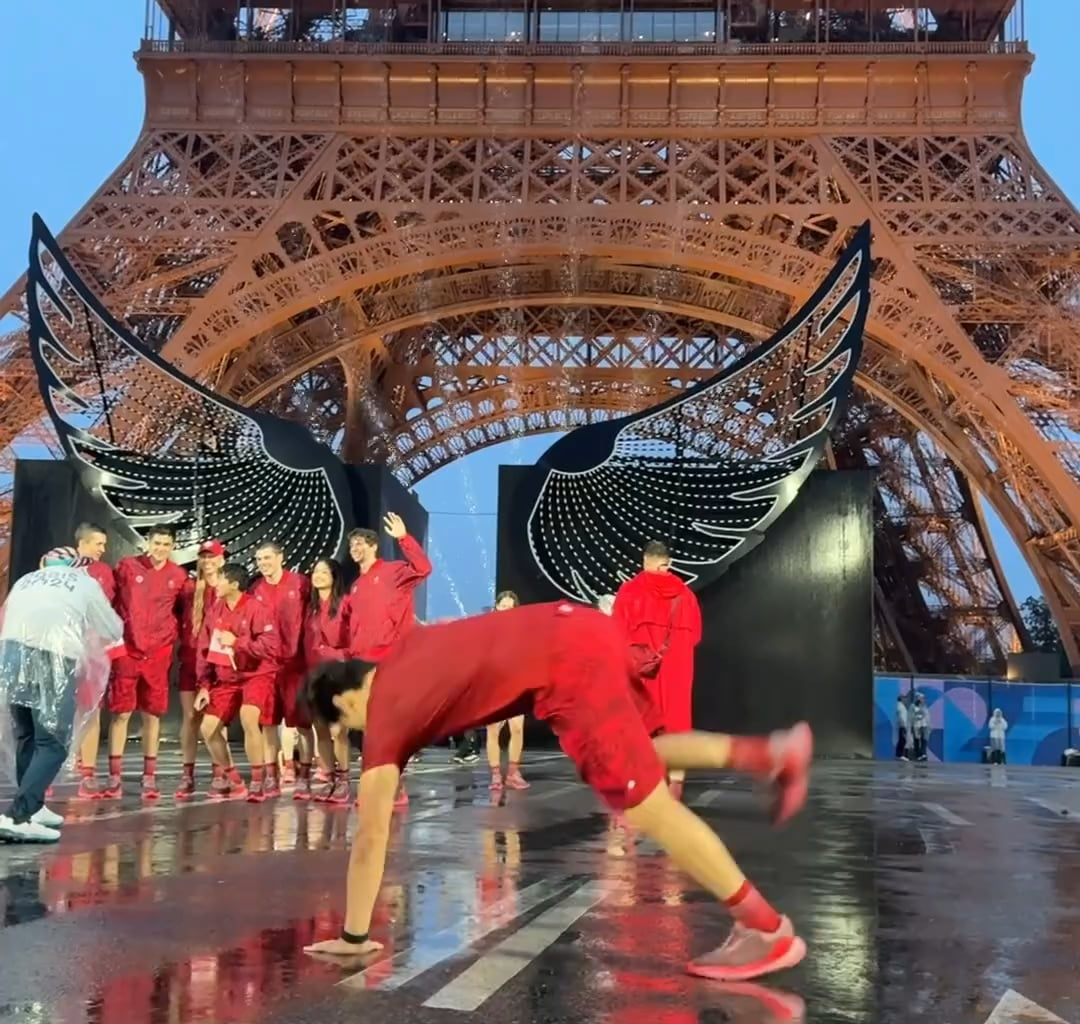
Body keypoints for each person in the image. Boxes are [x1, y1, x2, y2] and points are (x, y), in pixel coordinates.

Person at [302, 601, 812, 980]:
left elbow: (371, 834)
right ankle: (770, 755)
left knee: (645, 804)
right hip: (586, 626)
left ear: (346, 700)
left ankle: (764, 928)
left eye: (349, 726)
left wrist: (354, 935)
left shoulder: (386, 709)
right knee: (635, 756)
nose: (359, 735)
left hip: (565, 663)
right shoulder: (411, 646)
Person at [0, 547, 124, 842]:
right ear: (76, 566)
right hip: (52, 659)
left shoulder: (25, 580)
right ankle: (19, 815)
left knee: (27, 735)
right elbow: (112, 626)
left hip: (12, 657)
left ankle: (34, 803)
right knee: (53, 741)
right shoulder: (83, 583)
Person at [345, 513, 432, 804]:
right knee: (368, 727)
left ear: (373, 546)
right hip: (361, 661)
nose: (354, 548)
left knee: (383, 725)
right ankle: (387, 785)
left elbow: (423, 568)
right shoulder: (356, 586)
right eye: (351, 545)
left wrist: (403, 537)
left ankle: (391, 786)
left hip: (389, 658)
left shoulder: (394, 571)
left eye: (359, 543)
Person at [613, 540, 702, 799]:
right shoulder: (685, 595)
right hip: (677, 671)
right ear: (668, 563)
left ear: (644, 561)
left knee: (642, 725)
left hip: (642, 673)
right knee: (677, 721)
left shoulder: (629, 592)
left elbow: (615, 635)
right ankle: (676, 786)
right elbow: (695, 635)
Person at [102, 525, 186, 800]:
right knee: (121, 713)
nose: (161, 548)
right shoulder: (127, 567)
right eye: (157, 542)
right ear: (147, 543)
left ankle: (149, 778)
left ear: (172, 546)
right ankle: (114, 778)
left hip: (158, 654)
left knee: (152, 715)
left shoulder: (178, 575)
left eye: (166, 544)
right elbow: (110, 600)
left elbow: (181, 612)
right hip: (128, 651)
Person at [195, 563, 280, 802]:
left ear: (234, 584)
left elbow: (271, 647)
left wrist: (238, 642)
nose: (215, 583)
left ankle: (257, 780)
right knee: (207, 728)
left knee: (248, 717)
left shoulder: (257, 608)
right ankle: (233, 779)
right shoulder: (215, 610)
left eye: (220, 579)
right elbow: (204, 648)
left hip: (256, 675)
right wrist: (203, 685)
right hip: (226, 678)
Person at [250, 541, 310, 798]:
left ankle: (304, 776)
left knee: (302, 724)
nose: (263, 563)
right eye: (259, 559)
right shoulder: (255, 590)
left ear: (281, 557)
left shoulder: (300, 584)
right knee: (268, 724)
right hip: (267, 667)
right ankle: (271, 775)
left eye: (267, 558)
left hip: (296, 665)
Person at [176, 539, 227, 799]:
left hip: (217, 663)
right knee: (191, 718)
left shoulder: (227, 588)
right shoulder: (189, 589)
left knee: (216, 720)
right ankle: (188, 774)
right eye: (204, 557)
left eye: (212, 557)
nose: (208, 562)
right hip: (190, 662)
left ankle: (221, 773)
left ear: (222, 559)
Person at [70, 521, 116, 801]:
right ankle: (49, 772)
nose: (103, 549)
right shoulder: (60, 567)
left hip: (92, 652)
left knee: (91, 710)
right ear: (83, 542)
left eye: (104, 544)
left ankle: (87, 774)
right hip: (63, 650)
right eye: (98, 543)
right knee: (59, 713)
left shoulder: (104, 572)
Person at [304, 557, 352, 804]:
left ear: (334, 577)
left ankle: (344, 780)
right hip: (314, 676)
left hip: (338, 675)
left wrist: (333, 654)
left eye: (324, 571)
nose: (318, 575)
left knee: (337, 730)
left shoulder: (346, 604)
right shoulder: (310, 607)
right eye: (315, 571)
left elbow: (354, 641)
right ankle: (329, 778)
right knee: (321, 729)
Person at [485, 590, 529, 791]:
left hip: (515, 683)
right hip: (493, 684)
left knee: (517, 728)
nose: (506, 611)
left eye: (511, 608)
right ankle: (495, 775)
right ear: (496, 607)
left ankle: (512, 773)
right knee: (493, 729)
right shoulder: (488, 631)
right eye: (503, 606)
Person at [910, 692, 929, 762]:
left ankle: (923, 754)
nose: (923, 700)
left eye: (923, 698)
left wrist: (928, 725)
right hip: (916, 726)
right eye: (922, 698)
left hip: (923, 725)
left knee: (924, 740)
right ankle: (918, 755)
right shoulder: (913, 706)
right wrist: (919, 716)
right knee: (917, 741)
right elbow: (911, 716)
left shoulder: (924, 706)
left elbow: (927, 716)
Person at [895, 694, 910, 761]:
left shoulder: (901, 706)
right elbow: (901, 717)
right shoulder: (900, 706)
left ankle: (899, 755)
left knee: (902, 740)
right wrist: (903, 725)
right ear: (901, 699)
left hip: (903, 725)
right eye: (904, 698)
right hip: (902, 726)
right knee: (902, 740)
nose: (905, 699)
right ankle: (899, 755)